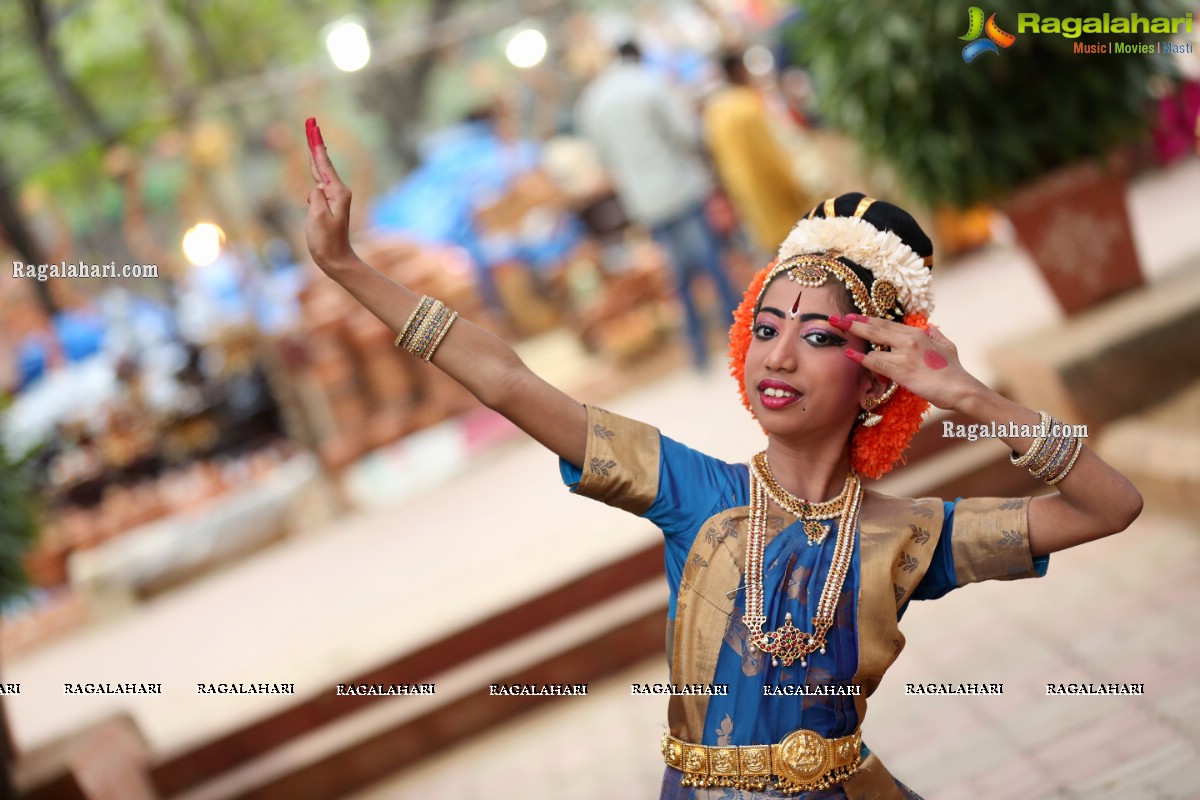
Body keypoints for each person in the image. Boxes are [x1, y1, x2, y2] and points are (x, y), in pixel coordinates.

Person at [303, 126, 1143, 798]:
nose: (778, 355)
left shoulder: (908, 538)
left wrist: (978, 401)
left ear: (874, 382)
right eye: (767, 327)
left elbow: (1111, 507)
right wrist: (347, 268)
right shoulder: (693, 493)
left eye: (818, 337)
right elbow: (506, 378)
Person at [575, 41, 742, 369]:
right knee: (710, 262)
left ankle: (696, 352)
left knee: (676, 275)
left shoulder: (591, 102)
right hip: (680, 187)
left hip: (644, 200)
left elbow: (602, 158)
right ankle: (736, 335)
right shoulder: (649, 82)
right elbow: (686, 132)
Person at [704, 50, 811, 257]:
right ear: (740, 72)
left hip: (748, 199)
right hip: (773, 195)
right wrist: (795, 188)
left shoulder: (715, 114)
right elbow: (770, 156)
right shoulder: (748, 107)